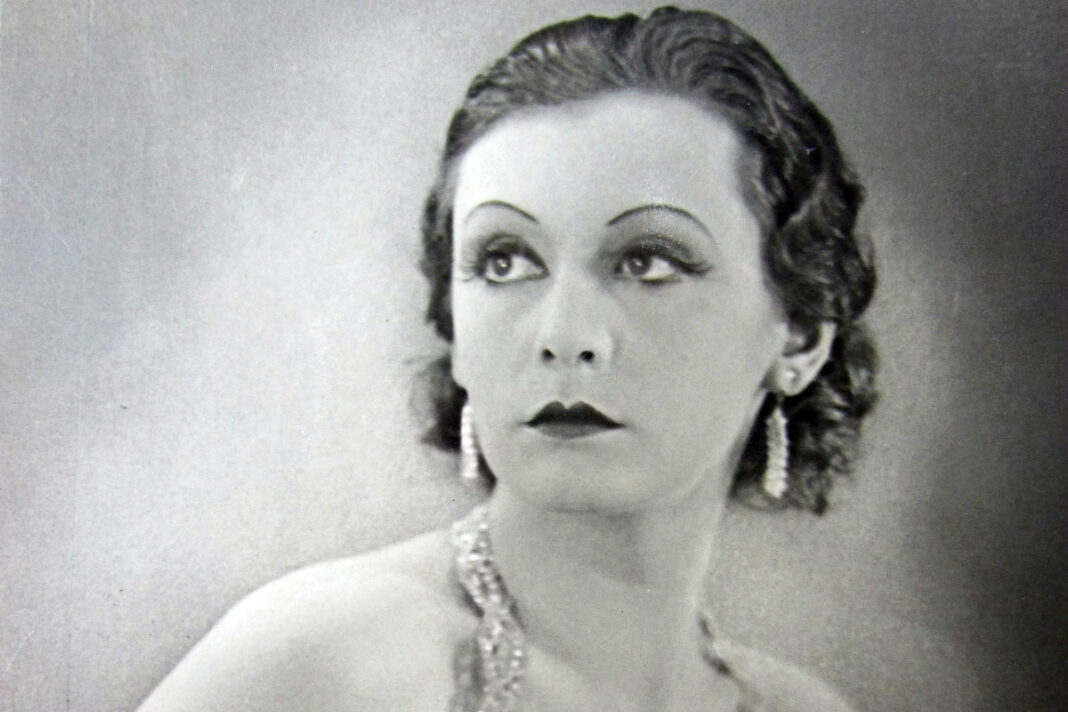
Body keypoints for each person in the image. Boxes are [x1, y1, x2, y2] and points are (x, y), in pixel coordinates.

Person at [137, 7, 876, 711]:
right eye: (506, 261)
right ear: (456, 328)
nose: (564, 335)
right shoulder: (323, 660)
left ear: (801, 337)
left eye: (647, 262)